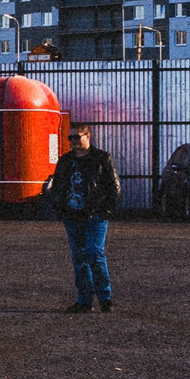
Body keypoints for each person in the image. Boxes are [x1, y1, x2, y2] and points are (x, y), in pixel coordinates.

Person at [45, 127, 122, 312]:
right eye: (71, 138)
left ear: (88, 136)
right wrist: (59, 207)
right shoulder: (65, 161)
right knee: (79, 258)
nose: (73, 141)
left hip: (94, 216)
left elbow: (114, 187)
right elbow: (57, 186)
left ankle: (105, 298)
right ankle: (84, 300)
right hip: (72, 217)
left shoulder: (102, 158)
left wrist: (104, 212)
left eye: (77, 137)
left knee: (94, 253)